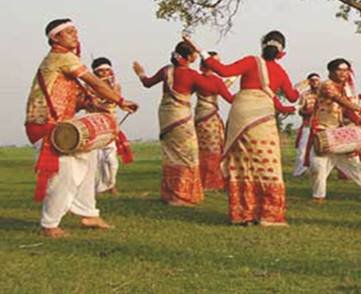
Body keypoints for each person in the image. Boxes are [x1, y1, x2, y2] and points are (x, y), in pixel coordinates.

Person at [25, 19, 138, 237]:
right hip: (46, 126)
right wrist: (120, 100)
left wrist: (96, 105)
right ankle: (49, 224)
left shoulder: (66, 63)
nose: (75, 35)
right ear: (55, 38)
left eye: (75, 31)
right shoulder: (61, 58)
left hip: (63, 127)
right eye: (69, 32)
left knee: (88, 167)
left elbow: (80, 99)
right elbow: (94, 82)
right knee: (64, 174)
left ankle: (89, 214)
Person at [185, 32, 299, 226]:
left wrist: (200, 50)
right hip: (263, 117)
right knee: (266, 162)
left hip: (241, 114)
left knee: (240, 161)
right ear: (282, 53)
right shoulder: (280, 71)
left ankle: (242, 214)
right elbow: (292, 97)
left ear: (262, 46)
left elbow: (224, 70)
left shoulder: (250, 61)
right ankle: (268, 215)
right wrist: (300, 90)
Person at [134, 41, 223, 206]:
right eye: (194, 54)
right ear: (189, 57)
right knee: (187, 154)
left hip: (165, 116)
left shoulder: (166, 70)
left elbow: (147, 83)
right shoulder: (191, 75)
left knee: (171, 153)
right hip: (181, 117)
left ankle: (169, 193)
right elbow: (212, 86)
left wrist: (140, 73)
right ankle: (182, 196)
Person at [308, 58, 361, 205]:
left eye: (346, 70)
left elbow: (346, 109)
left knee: (357, 165)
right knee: (318, 165)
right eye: (340, 70)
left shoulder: (343, 88)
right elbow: (339, 100)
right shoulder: (326, 85)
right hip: (322, 130)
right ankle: (318, 197)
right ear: (330, 71)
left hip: (337, 134)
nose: (344, 73)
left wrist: (358, 119)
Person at [88, 57, 134, 196]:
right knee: (96, 160)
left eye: (108, 70)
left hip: (110, 125)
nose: (106, 73)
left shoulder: (116, 86)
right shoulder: (89, 87)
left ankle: (110, 184)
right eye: (102, 71)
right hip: (95, 125)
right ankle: (97, 189)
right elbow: (91, 103)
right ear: (95, 73)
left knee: (111, 160)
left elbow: (117, 101)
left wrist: (128, 107)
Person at [194, 52, 234, 191]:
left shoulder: (196, 78)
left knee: (201, 149)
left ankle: (200, 179)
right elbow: (229, 98)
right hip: (210, 118)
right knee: (213, 149)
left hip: (199, 116)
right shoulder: (216, 81)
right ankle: (212, 182)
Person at [293, 73, 321, 178]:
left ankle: (319, 172)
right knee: (302, 150)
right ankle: (300, 172)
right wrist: (307, 112)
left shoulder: (325, 93)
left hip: (322, 126)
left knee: (322, 150)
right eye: (312, 80)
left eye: (317, 80)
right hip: (308, 125)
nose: (315, 82)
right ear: (309, 82)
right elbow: (300, 110)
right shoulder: (305, 95)